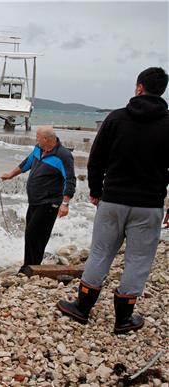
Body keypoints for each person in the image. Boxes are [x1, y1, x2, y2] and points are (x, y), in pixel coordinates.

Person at [57, 67, 169, 335]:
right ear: (162, 91)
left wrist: (96, 190)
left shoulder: (116, 119)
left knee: (100, 253)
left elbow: (96, 158)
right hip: (149, 205)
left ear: (139, 87)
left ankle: (82, 308)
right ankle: (123, 319)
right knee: (138, 260)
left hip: (114, 199)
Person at [1, 126, 76, 272]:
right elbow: (26, 163)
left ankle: (29, 268)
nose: (36, 139)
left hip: (50, 202)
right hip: (35, 201)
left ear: (46, 139)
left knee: (34, 234)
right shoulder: (38, 149)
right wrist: (10, 175)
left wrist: (65, 203)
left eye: (38, 137)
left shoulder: (63, 155)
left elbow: (70, 179)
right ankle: (31, 266)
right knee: (32, 234)